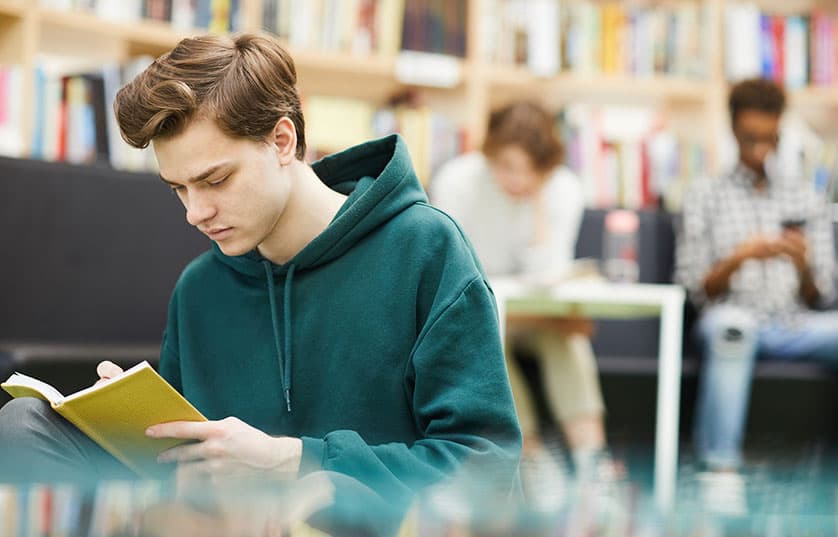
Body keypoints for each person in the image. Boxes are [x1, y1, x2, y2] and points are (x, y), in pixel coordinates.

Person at [0, 33, 521, 532]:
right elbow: (188, 477)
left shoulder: (425, 250)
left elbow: (487, 467)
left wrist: (296, 460)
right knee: (23, 424)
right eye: (179, 188)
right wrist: (127, 427)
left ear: (281, 140)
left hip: (359, 527)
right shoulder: (200, 288)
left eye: (215, 180)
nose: (195, 213)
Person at [430, 102, 611, 498]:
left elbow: (549, 277)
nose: (517, 180)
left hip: (533, 315)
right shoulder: (458, 182)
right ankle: (530, 455)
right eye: (507, 166)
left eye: (530, 170)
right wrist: (545, 319)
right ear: (489, 153)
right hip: (474, 316)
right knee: (490, 337)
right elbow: (453, 280)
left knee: (569, 341)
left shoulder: (562, 188)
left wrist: (540, 201)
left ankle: (591, 461)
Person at [676, 78, 837, 512]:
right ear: (732, 131)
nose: (760, 150)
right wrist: (740, 257)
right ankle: (720, 472)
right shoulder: (705, 194)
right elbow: (695, 290)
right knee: (733, 329)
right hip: (731, 317)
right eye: (750, 139)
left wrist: (802, 264)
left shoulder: (805, 193)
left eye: (770, 139)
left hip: (793, 323)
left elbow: (820, 296)